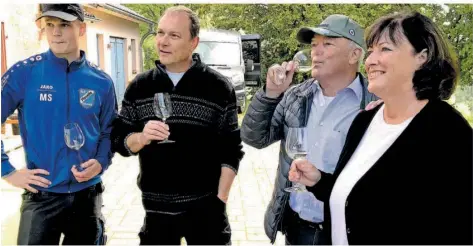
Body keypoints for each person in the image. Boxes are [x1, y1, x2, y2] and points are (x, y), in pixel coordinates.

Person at [289, 11, 472, 245]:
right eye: (371, 50)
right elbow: (363, 197)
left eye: (385, 49)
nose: (370, 60)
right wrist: (319, 181)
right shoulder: (364, 121)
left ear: (422, 57)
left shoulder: (449, 133)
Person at [110, 6, 244, 245]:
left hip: (206, 212)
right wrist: (141, 138)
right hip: (156, 213)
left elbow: (232, 149)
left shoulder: (219, 87)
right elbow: (119, 141)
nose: (163, 41)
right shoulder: (140, 86)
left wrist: (220, 199)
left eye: (174, 35)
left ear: (194, 42)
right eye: (160, 33)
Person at [241, 14, 377, 245]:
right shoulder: (296, 95)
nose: (316, 51)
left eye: (328, 44)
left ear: (355, 55)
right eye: (314, 44)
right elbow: (254, 137)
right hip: (295, 226)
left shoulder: (375, 104)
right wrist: (271, 94)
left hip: (344, 231)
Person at [1, 4, 117, 245]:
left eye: (64, 25)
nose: (55, 32)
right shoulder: (25, 73)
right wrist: (8, 171)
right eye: (50, 25)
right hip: (41, 196)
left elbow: (109, 132)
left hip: (87, 196)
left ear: (82, 29)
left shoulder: (102, 82)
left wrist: (101, 162)